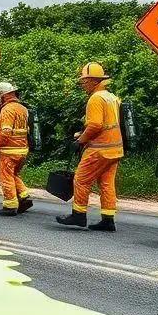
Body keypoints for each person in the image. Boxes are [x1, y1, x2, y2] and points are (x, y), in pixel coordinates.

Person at [56, 62, 122, 231]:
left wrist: (80, 141)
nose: (83, 84)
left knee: (81, 179)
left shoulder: (95, 98)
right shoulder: (111, 97)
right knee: (106, 183)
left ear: (94, 81)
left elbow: (95, 125)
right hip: (114, 149)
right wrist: (82, 134)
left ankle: (78, 214)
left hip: (99, 149)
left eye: (85, 81)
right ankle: (108, 219)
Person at [0, 81, 32, 216]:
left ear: (3, 95)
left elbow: (6, 132)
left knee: (5, 177)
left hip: (9, 150)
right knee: (13, 174)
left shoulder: (7, 109)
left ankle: (10, 205)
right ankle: (24, 196)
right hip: (22, 150)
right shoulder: (23, 109)